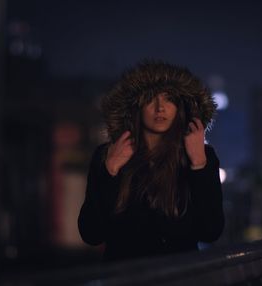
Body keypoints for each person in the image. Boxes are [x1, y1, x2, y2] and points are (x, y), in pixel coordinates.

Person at [78, 60, 224, 262]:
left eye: (169, 99)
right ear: (136, 107)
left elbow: (211, 231)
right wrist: (110, 171)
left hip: (181, 278)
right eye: (150, 99)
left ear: (180, 107)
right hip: (124, 279)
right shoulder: (107, 155)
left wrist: (199, 166)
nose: (160, 108)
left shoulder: (201, 156)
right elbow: (91, 234)